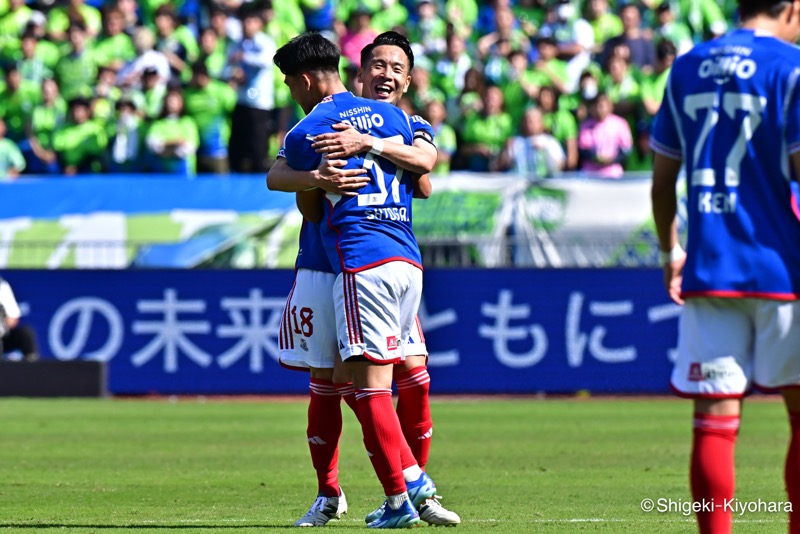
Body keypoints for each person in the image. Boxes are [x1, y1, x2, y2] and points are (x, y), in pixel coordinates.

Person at [268, 31, 460, 528]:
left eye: (397, 67)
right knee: (332, 381)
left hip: (366, 260)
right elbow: (295, 190)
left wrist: (369, 147)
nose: (387, 74)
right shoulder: (382, 122)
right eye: (378, 64)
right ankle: (337, 492)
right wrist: (321, 177)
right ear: (359, 72)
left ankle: (409, 487)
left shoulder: (393, 123)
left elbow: (425, 178)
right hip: (332, 260)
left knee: (399, 378)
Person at [650, 0, 800, 532]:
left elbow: (663, 183)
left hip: (710, 266)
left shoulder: (686, 67)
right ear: (791, 8)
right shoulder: (791, 66)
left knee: (714, 422)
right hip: (785, 269)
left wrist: (673, 255)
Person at [226, 2, 276, 173]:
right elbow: (227, 66)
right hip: (242, 100)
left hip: (259, 103)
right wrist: (234, 74)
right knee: (237, 146)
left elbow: (267, 60)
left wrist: (244, 57)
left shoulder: (264, 42)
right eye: (244, 21)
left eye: (251, 21)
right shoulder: (237, 43)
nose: (247, 25)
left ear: (259, 23)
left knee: (257, 146)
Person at [0, 275, 39, 362]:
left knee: (26, 334)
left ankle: (33, 368)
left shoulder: (1, 285)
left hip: (2, 336)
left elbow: (13, 317)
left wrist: (2, 324)